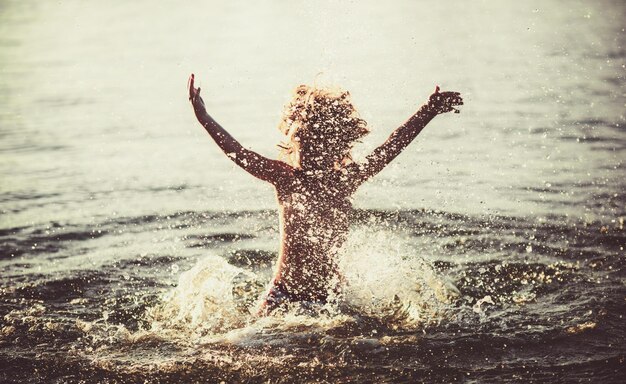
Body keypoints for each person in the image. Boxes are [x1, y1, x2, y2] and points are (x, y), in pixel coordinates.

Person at [187, 74, 463, 315]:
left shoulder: (345, 180)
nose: (312, 152)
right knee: (246, 342)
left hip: (330, 297)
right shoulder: (285, 178)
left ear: (337, 144)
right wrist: (204, 118)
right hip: (283, 292)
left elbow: (390, 148)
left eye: (320, 144)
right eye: (305, 142)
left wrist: (427, 111)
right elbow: (239, 153)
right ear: (295, 141)